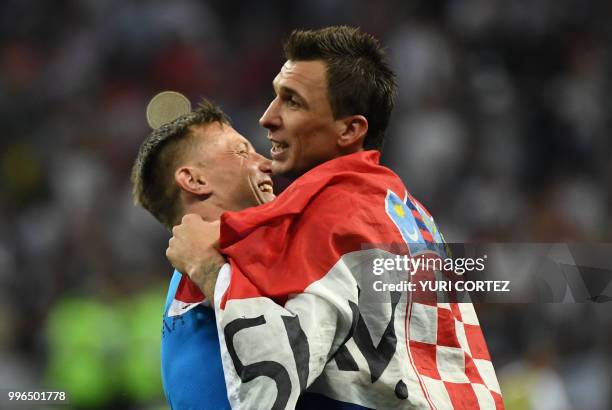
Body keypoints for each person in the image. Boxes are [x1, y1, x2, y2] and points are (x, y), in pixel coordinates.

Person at [168, 26, 503, 409]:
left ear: (349, 129)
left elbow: (274, 377)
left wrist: (207, 266)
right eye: (275, 95)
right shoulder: (411, 214)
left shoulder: (328, 216)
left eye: (292, 102)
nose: (267, 117)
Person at [131, 99, 275, 409]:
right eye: (242, 151)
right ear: (195, 180)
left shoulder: (190, 275)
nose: (266, 162)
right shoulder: (228, 256)